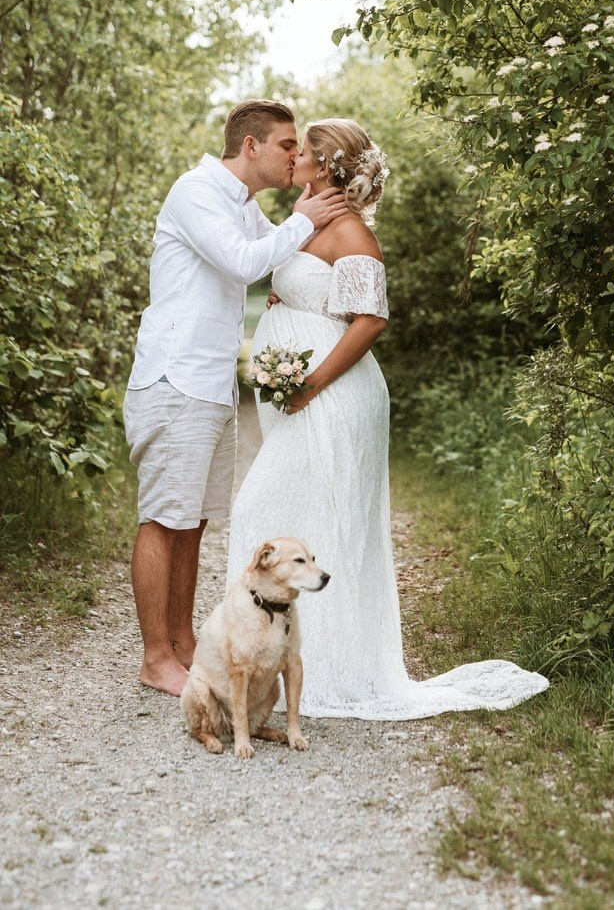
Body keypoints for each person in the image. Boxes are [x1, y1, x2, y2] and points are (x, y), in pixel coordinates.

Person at [226, 118, 548, 719]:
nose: (292, 156)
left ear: (325, 165)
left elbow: (368, 322)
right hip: (304, 400)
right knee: (297, 513)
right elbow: (315, 292)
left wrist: (310, 384)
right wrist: (283, 296)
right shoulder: (312, 221)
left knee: (275, 514)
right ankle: (279, 665)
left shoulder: (352, 233)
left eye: (302, 150)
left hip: (334, 400)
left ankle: (327, 672)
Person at [124, 99, 348, 696]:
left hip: (210, 383)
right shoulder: (196, 191)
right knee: (163, 517)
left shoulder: (241, 205)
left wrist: (292, 290)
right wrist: (303, 218)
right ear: (251, 146)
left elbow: (274, 258)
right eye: (286, 145)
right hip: (174, 379)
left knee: (193, 521)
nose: (295, 156)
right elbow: (243, 261)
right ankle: (154, 658)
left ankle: (183, 646)